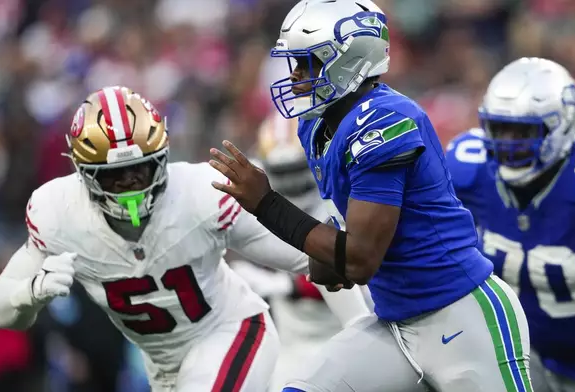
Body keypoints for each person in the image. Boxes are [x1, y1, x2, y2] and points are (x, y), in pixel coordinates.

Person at [207, 0, 533, 391]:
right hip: (394, 321)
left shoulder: (385, 122)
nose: (295, 77)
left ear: (350, 59)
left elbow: (358, 259)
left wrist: (266, 204)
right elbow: (344, 249)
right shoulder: (317, 126)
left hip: (461, 315)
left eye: (308, 63)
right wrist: (326, 254)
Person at [0, 86, 371, 392]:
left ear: (161, 156)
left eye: (139, 170)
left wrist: (361, 333)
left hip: (229, 333)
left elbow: (312, 256)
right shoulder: (57, 212)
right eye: (113, 177)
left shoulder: (201, 194)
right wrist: (31, 293)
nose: (129, 188)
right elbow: (1, 312)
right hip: (163, 367)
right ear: (84, 173)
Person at [446, 57, 575, 392]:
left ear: (560, 127)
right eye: (500, 129)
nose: (509, 143)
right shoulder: (469, 168)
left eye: (524, 132)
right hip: (520, 358)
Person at [230, 112, 363, 392]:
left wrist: (286, 285)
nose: (290, 183)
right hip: (293, 340)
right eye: (282, 173)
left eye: (296, 170)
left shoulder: (341, 199)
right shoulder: (255, 200)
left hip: (353, 327)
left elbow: (351, 265)